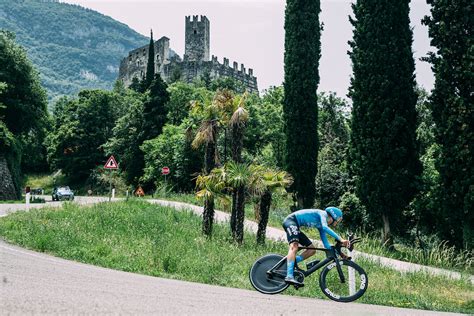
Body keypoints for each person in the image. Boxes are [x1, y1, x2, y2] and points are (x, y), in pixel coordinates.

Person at [282, 206, 350, 286]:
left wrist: (340, 253)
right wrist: (341, 239)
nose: (333, 224)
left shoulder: (320, 225)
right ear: (332, 216)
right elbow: (325, 227)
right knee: (294, 246)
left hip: (295, 225)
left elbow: (326, 245)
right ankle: (289, 276)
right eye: (335, 221)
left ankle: (291, 262)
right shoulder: (322, 214)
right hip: (291, 221)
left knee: (312, 250)